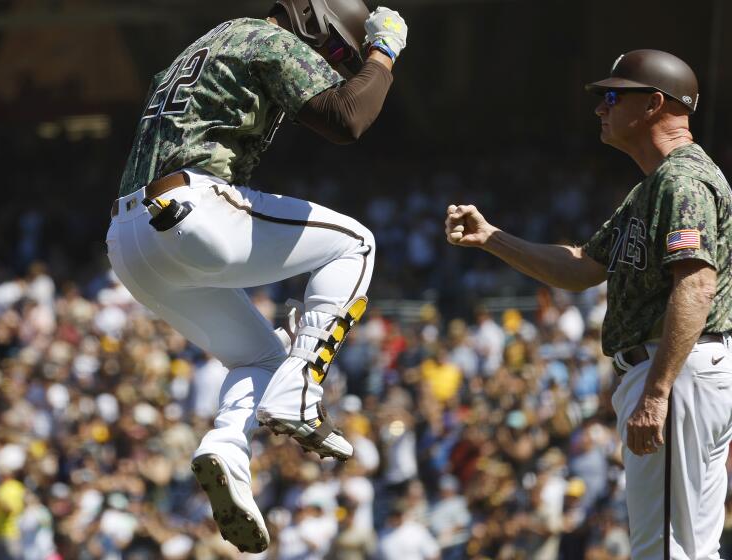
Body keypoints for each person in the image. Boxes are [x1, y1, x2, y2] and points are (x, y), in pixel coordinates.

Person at [105, 0, 408, 553]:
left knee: (258, 358)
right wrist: (382, 54)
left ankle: (226, 446)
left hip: (130, 241)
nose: (335, 61)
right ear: (312, 19)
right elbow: (348, 118)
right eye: (338, 47)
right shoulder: (264, 37)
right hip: (191, 208)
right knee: (356, 244)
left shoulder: (205, 44)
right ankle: (301, 388)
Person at [444, 49, 732, 560]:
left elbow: (696, 286)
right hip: (676, 370)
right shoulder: (653, 185)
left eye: (613, 96)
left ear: (655, 104)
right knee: (686, 547)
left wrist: (658, 391)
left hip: (674, 369)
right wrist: (492, 238)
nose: (601, 107)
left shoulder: (681, 181)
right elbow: (582, 267)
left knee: (665, 549)